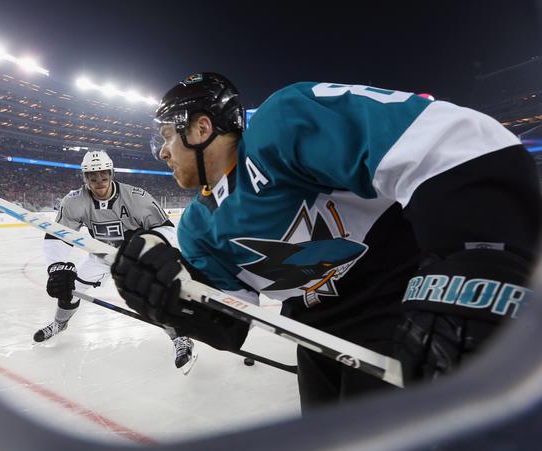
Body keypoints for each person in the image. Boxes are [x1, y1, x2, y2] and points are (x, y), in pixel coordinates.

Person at [110, 72, 542, 409]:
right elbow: (229, 319)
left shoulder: (284, 123)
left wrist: (478, 259)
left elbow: (457, 141)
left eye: (167, 136)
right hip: (315, 336)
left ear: (202, 127)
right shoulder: (197, 227)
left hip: (401, 298)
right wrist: (173, 299)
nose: (162, 152)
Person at [34, 149, 198, 373]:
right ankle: (60, 323)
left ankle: (180, 338)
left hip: (135, 256)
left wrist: (147, 250)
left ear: (111, 174)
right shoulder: (74, 201)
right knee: (69, 288)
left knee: (155, 295)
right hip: (100, 254)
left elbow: (166, 229)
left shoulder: (137, 197)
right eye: (92, 177)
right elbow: (57, 235)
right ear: (85, 177)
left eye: (103, 175)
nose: (99, 181)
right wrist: (57, 267)